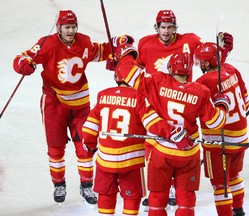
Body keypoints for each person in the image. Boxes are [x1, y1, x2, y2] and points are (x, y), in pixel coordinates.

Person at [12, 10, 129, 205]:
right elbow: (22, 57)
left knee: (85, 146)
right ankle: (59, 184)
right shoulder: (47, 43)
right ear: (58, 28)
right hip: (54, 103)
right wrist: (23, 64)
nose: (71, 31)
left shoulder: (83, 41)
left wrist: (116, 44)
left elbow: (100, 51)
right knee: (56, 148)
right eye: (67, 27)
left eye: (73, 27)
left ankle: (86, 186)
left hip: (81, 104)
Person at [113, 43, 230, 216]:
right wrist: (222, 105)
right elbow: (216, 122)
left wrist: (127, 52)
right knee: (186, 201)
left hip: (161, 152)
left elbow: (127, 72)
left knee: (157, 198)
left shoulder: (157, 81)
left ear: (170, 68)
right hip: (188, 155)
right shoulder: (201, 91)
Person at [81, 68, 191, 215]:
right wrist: (174, 133)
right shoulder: (139, 97)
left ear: (116, 78)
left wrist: (89, 145)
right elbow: (153, 123)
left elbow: (89, 127)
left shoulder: (103, 96)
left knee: (106, 196)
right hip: (130, 163)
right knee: (131, 198)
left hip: (105, 161)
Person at [194, 42, 249, 216]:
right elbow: (246, 102)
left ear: (207, 63)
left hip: (218, 143)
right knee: (234, 176)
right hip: (241, 138)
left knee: (220, 184)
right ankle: (239, 210)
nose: (199, 64)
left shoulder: (202, 82)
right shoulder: (231, 70)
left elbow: (195, 113)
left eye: (201, 61)